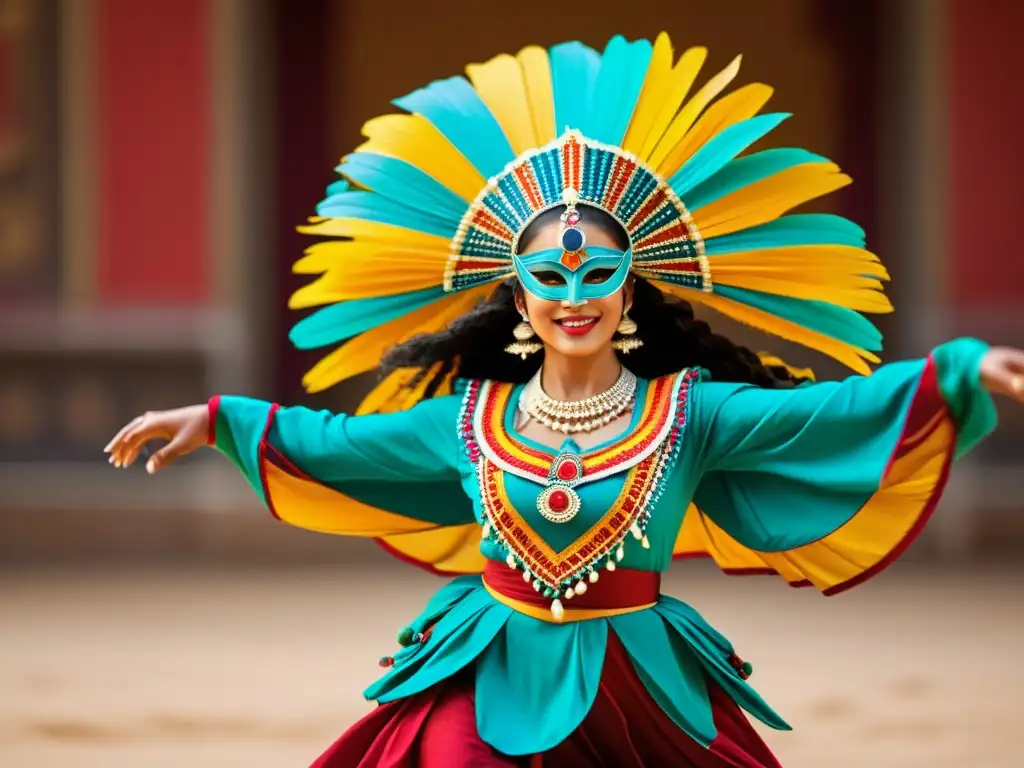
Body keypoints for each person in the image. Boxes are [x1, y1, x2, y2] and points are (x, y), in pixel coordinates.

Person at [105, 34, 1024, 767]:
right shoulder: (467, 422)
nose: (573, 294)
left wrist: (956, 373)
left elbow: (831, 414)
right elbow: (341, 444)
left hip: (640, 672)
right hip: (489, 663)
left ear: (632, 291)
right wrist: (221, 420)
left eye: (598, 275)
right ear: (516, 293)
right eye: (548, 274)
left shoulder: (688, 413)